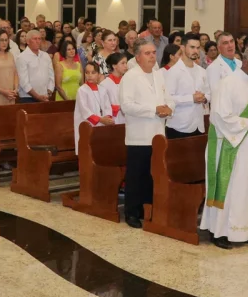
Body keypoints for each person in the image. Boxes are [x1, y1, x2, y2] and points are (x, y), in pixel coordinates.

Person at [201, 46, 248, 249]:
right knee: (229, 187)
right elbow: (220, 116)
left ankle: (241, 231)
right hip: (227, 144)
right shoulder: (228, 83)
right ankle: (219, 232)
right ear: (245, 61)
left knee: (246, 188)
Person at [120, 39, 174, 229]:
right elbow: (127, 106)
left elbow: (168, 97)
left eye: (153, 52)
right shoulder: (130, 76)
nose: (152, 56)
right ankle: (132, 212)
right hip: (139, 135)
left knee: (152, 175)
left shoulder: (159, 75)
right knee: (136, 175)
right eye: (147, 53)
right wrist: (154, 109)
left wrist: (169, 108)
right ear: (137, 56)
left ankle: (147, 208)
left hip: (158, 134)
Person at [164, 33, 209, 139]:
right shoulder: (173, 71)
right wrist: (191, 98)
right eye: (192, 47)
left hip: (198, 124)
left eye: (198, 48)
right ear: (183, 48)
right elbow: (168, 99)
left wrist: (204, 98)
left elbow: (209, 93)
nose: (196, 51)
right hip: (178, 126)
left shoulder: (202, 71)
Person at [73, 62, 113, 153]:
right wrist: (100, 119)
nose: (90, 75)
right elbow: (85, 110)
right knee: (87, 151)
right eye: (87, 72)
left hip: (101, 126)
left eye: (93, 72)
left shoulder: (102, 90)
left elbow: (107, 107)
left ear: (99, 75)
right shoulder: (82, 90)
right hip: (87, 125)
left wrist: (108, 118)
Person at [16, 30, 54, 103]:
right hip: (27, 97)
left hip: (45, 96)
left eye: (39, 39)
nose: (38, 41)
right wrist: (37, 96)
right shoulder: (22, 57)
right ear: (28, 41)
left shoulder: (45, 55)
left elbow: (51, 75)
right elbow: (23, 81)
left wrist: (49, 91)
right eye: (35, 39)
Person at [206, 32, 242, 97]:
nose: (230, 45)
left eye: (231, 41)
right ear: (219, 48)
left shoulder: (241, 64)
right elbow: (215, 95)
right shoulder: (213, 68)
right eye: (225, 43)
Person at [99, 52, 127, 124]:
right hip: (113, 120)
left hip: (127, 119)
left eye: (126, 63)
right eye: (122, 63)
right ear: (114, 66)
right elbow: (103, 106)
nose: (126, 66)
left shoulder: (127, 81)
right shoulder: (104, 84)